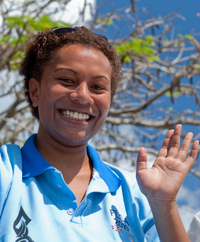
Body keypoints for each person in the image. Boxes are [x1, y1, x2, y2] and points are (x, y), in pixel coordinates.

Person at [0, 26, 199, 242]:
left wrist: (164, 203)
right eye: (67, 80)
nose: (83, 97)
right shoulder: (7, 173)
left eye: (97, 87)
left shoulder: (134, 195)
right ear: (35, 91)